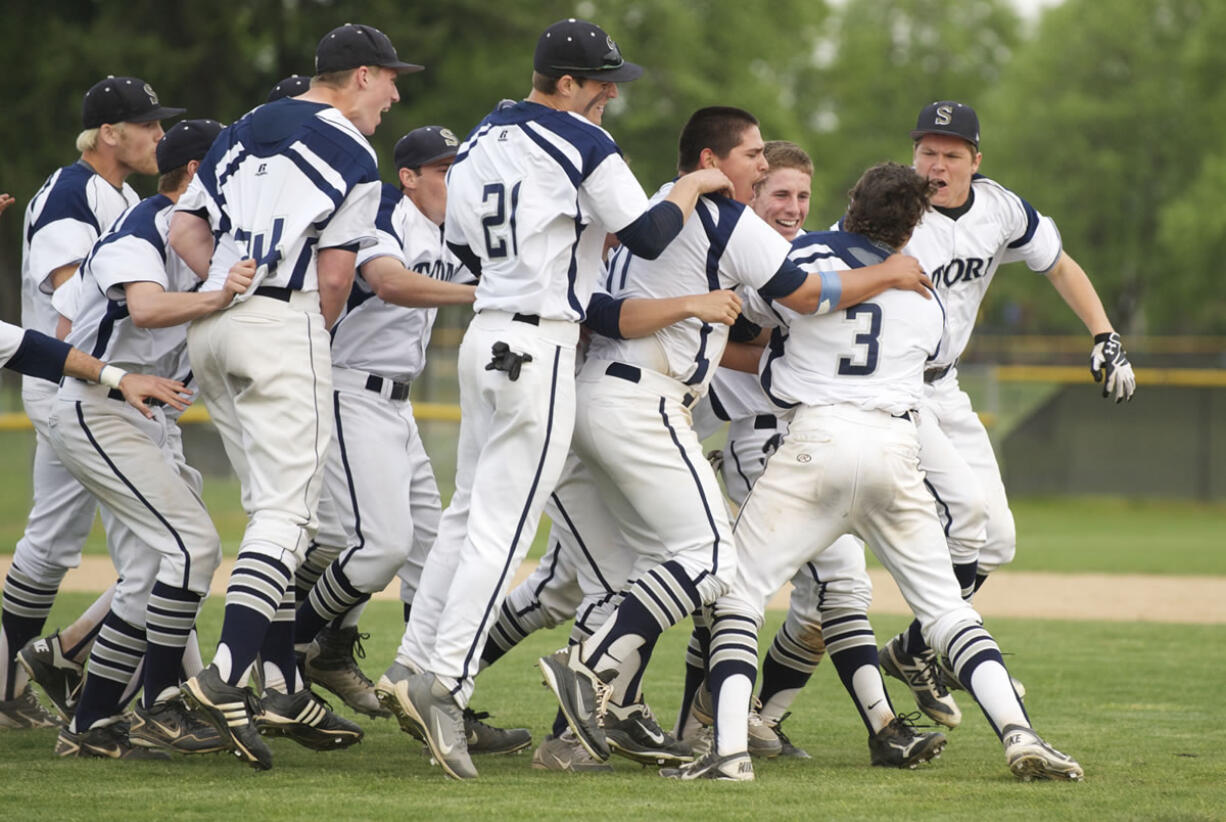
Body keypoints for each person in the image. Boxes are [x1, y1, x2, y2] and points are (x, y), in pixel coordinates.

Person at [379, 18, 735, 781]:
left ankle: (411, 667)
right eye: (601, 80)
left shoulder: (478, 139)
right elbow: (643, 235)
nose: (611, 92)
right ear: (564, 83)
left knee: (466, 513)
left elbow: (471, 243)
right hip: (539, 342)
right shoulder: (579, 140)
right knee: (499, 535)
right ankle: (446, 684)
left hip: (485, 332)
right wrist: (693, 183)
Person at [538, 106, 932, 770]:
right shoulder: (726, 217)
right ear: (711, 163)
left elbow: (598, 308)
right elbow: (808, 295)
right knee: (712, 561)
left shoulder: (652, 211)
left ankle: (583, 726)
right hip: (644, 400)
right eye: (752, 154)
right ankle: (591, 670)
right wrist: (888, 274)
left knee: (654, 569)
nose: (761, 163)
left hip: (598, 393)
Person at [668, 161, 1082, 783]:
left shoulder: (806, 253)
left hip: (813, 441)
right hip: (895, 445)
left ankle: (728, 751)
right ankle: (1019, 731)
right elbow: (930, 359)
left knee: (740, 596)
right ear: (915, 223)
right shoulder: (927, 296)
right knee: (948, 611)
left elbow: (758, 311)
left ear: (851, 202)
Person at [168, 23, 420, 770]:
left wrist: (222, 285)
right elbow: (337, 276)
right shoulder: (352, 148)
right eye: (390, 78)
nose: (396, 93)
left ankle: (278, 682)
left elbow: (185, 224)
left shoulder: (244, 126)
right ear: (362, 74)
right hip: (283, 319)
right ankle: (224, 675)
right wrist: (302, 324)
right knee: (288, 516)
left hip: (214, 325)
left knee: (272, 520)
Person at [878, 101, 1136, 725]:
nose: (936, 165)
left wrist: (1104, 333)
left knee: (998, 539)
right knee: (962, 516)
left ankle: (915, 650)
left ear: (975, 161)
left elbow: (1060, 265)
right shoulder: (889, 212)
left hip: (947, 387)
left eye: (951, 154)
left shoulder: (1001, 208)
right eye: (927, 151)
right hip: (894, 389)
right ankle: (945, 646)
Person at [294, 124, 528, 754]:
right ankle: (287, 650)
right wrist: (486, 293)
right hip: (348, 390)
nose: (456, 180)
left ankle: (436, 702)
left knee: (434, 556)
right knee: (380, 547)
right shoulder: (383, 211)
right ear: (410, 176)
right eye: (445, 169)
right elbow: (391, 282)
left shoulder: (458, 230)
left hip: (397, 407)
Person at [47, 119, 250, 759]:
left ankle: (91, 723)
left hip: (145, 416)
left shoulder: (205, 240)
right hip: (99, 406)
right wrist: (221, 298)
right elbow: (146, 309)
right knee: (193, 547)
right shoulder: (144, 226)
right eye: (224, 167)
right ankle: (160, 703)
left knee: (142, 574)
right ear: (194, 173)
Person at [1, 76, 184, 729]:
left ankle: (17, 681)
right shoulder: (70, 192)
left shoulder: (122, 194)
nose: (160, 136)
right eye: (148, 124)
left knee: (52, 543)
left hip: (91, 384)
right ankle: (151, 692)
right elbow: (69, 298)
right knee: (164, 547)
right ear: (110, 131)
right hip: (73, 386)